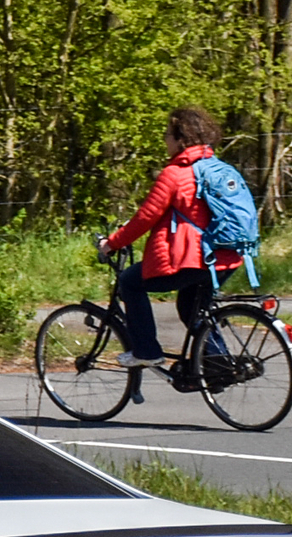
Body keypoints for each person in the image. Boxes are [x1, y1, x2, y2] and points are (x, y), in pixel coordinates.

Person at [97, 106, 245, 374]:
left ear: (181, 138)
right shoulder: (220, 169)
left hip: (195, 259)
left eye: (168, 134)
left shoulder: (175, 173)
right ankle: (217, 365)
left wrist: (112, 243)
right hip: (228, 257)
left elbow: (145, 217)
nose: (165, 140)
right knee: (190, 306)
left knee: (129, 282)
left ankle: (147, 352)